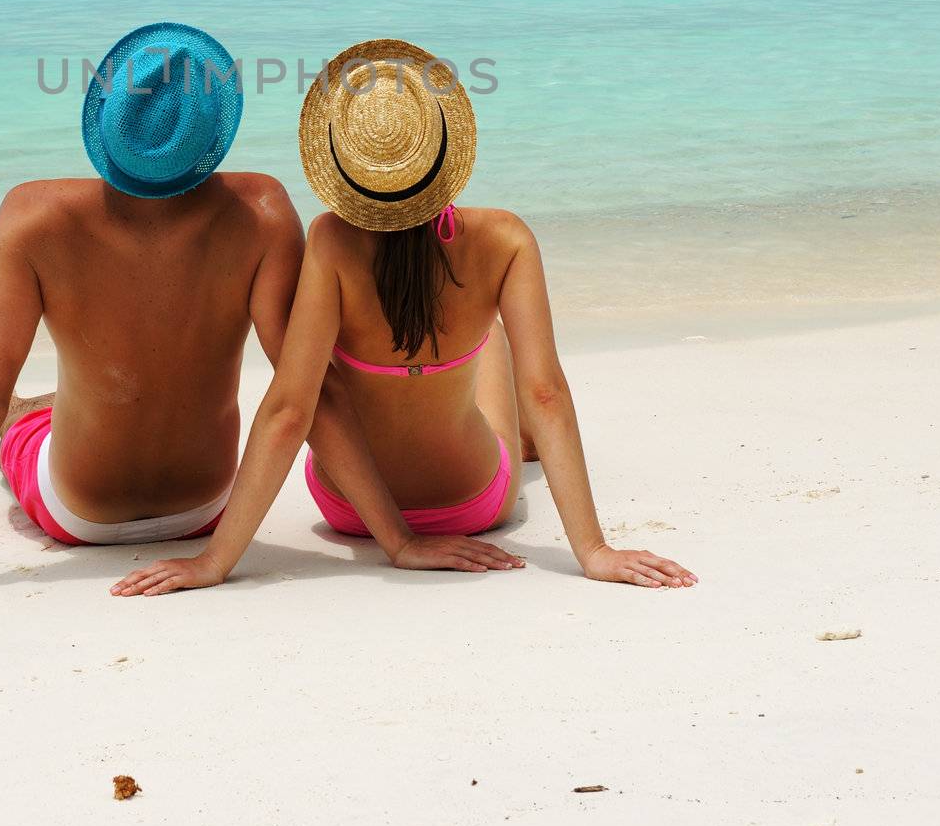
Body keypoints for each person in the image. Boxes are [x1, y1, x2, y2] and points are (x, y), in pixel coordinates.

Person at [0, 23, 508, 607]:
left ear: (103, 124)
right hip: (206, 508)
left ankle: (23, 416)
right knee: (101, 384)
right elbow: (313, 392)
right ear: (214, 133)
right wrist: (397, 543)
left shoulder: (32, 219)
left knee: (9, 405)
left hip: (78, 512)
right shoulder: (262, 212)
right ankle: (38, 407)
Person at [113, 38, 696, 598]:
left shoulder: (331, 242)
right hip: (473, 502)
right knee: (489, 338)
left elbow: (291, 410)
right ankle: (522, 443)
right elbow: (545, 392)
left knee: (333, 372)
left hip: (349, 509)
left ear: (344, 172)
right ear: (446, 152)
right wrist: (594, 551)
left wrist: (215, 561)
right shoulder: (505, 239)